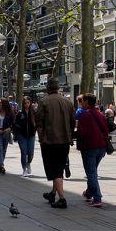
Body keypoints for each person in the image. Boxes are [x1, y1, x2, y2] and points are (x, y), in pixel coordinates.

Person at [36, 79, 75, 209]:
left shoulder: (44, 101)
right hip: (64, 140)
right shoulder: (68, 102)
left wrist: (41, 138)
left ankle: (62, 198)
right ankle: (53, 193)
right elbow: (72, 122)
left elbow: (39, 123)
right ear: (58, 88)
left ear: (48, 88)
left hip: (50, 141)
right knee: (59, 167)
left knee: (55, 170)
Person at [75, 93, 108, 208]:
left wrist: (74, 135)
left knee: (91, 173)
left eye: (82, 101)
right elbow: (106, 130)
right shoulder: (100, 114)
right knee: (93, 171)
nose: (81, 103)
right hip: (101, 147)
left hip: (89, 147)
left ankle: (97, 198)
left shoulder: (84, 115)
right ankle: (89, 193)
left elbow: (81, 133)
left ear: (87, 102)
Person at [13, 95, 36, 176]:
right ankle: (24, 169)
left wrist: (35, 130)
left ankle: (28, 163)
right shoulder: (20, 113)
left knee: (31, 153)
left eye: (28, 103)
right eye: (25, 103)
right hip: (21, 135)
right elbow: (15, 124)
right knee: (23, 152)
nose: (26, 104)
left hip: (31, 135)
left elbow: (36, 124)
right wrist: (18, 131)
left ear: (30, 103)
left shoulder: (33, 113)